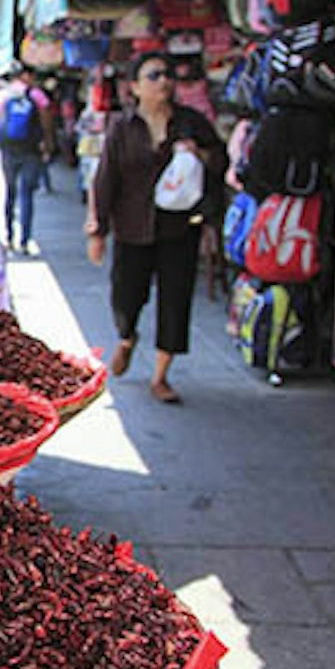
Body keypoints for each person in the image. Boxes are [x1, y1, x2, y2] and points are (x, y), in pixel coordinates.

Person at [87, 52, 226, 405]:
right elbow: (106, 179)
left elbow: (221, 160)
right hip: (132, 227)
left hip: (179, 228)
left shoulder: (190, 123)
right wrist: (98, 230)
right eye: (154, 75)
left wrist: (199, 154)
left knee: (175, 300)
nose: (163, 81)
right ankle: (127, 337)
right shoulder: (122, 127)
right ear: (135, 86)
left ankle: (161, 375)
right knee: (126, 295)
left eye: (167, 75)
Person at [0, 65, 52, 255]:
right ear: (27, 76)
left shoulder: (3, 96)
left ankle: (9, 236)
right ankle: (25, 239)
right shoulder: (36, 95)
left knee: (10, 193)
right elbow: (46, 121)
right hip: (30, 150)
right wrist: (47, 144)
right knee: (27, 194)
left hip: (8, 151)